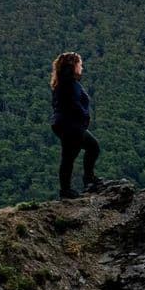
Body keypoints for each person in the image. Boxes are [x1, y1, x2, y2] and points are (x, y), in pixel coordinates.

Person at [50, 51, 101, 198]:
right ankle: (83, 182)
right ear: (73, 66)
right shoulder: (69, 84)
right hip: (71, 126)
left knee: (71, 156)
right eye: (80, 64)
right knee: (88, 149)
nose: (82, 67)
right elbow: (74, 104)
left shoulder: (63, 83)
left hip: (65, 125)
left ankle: (71, 187)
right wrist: (84, 117)